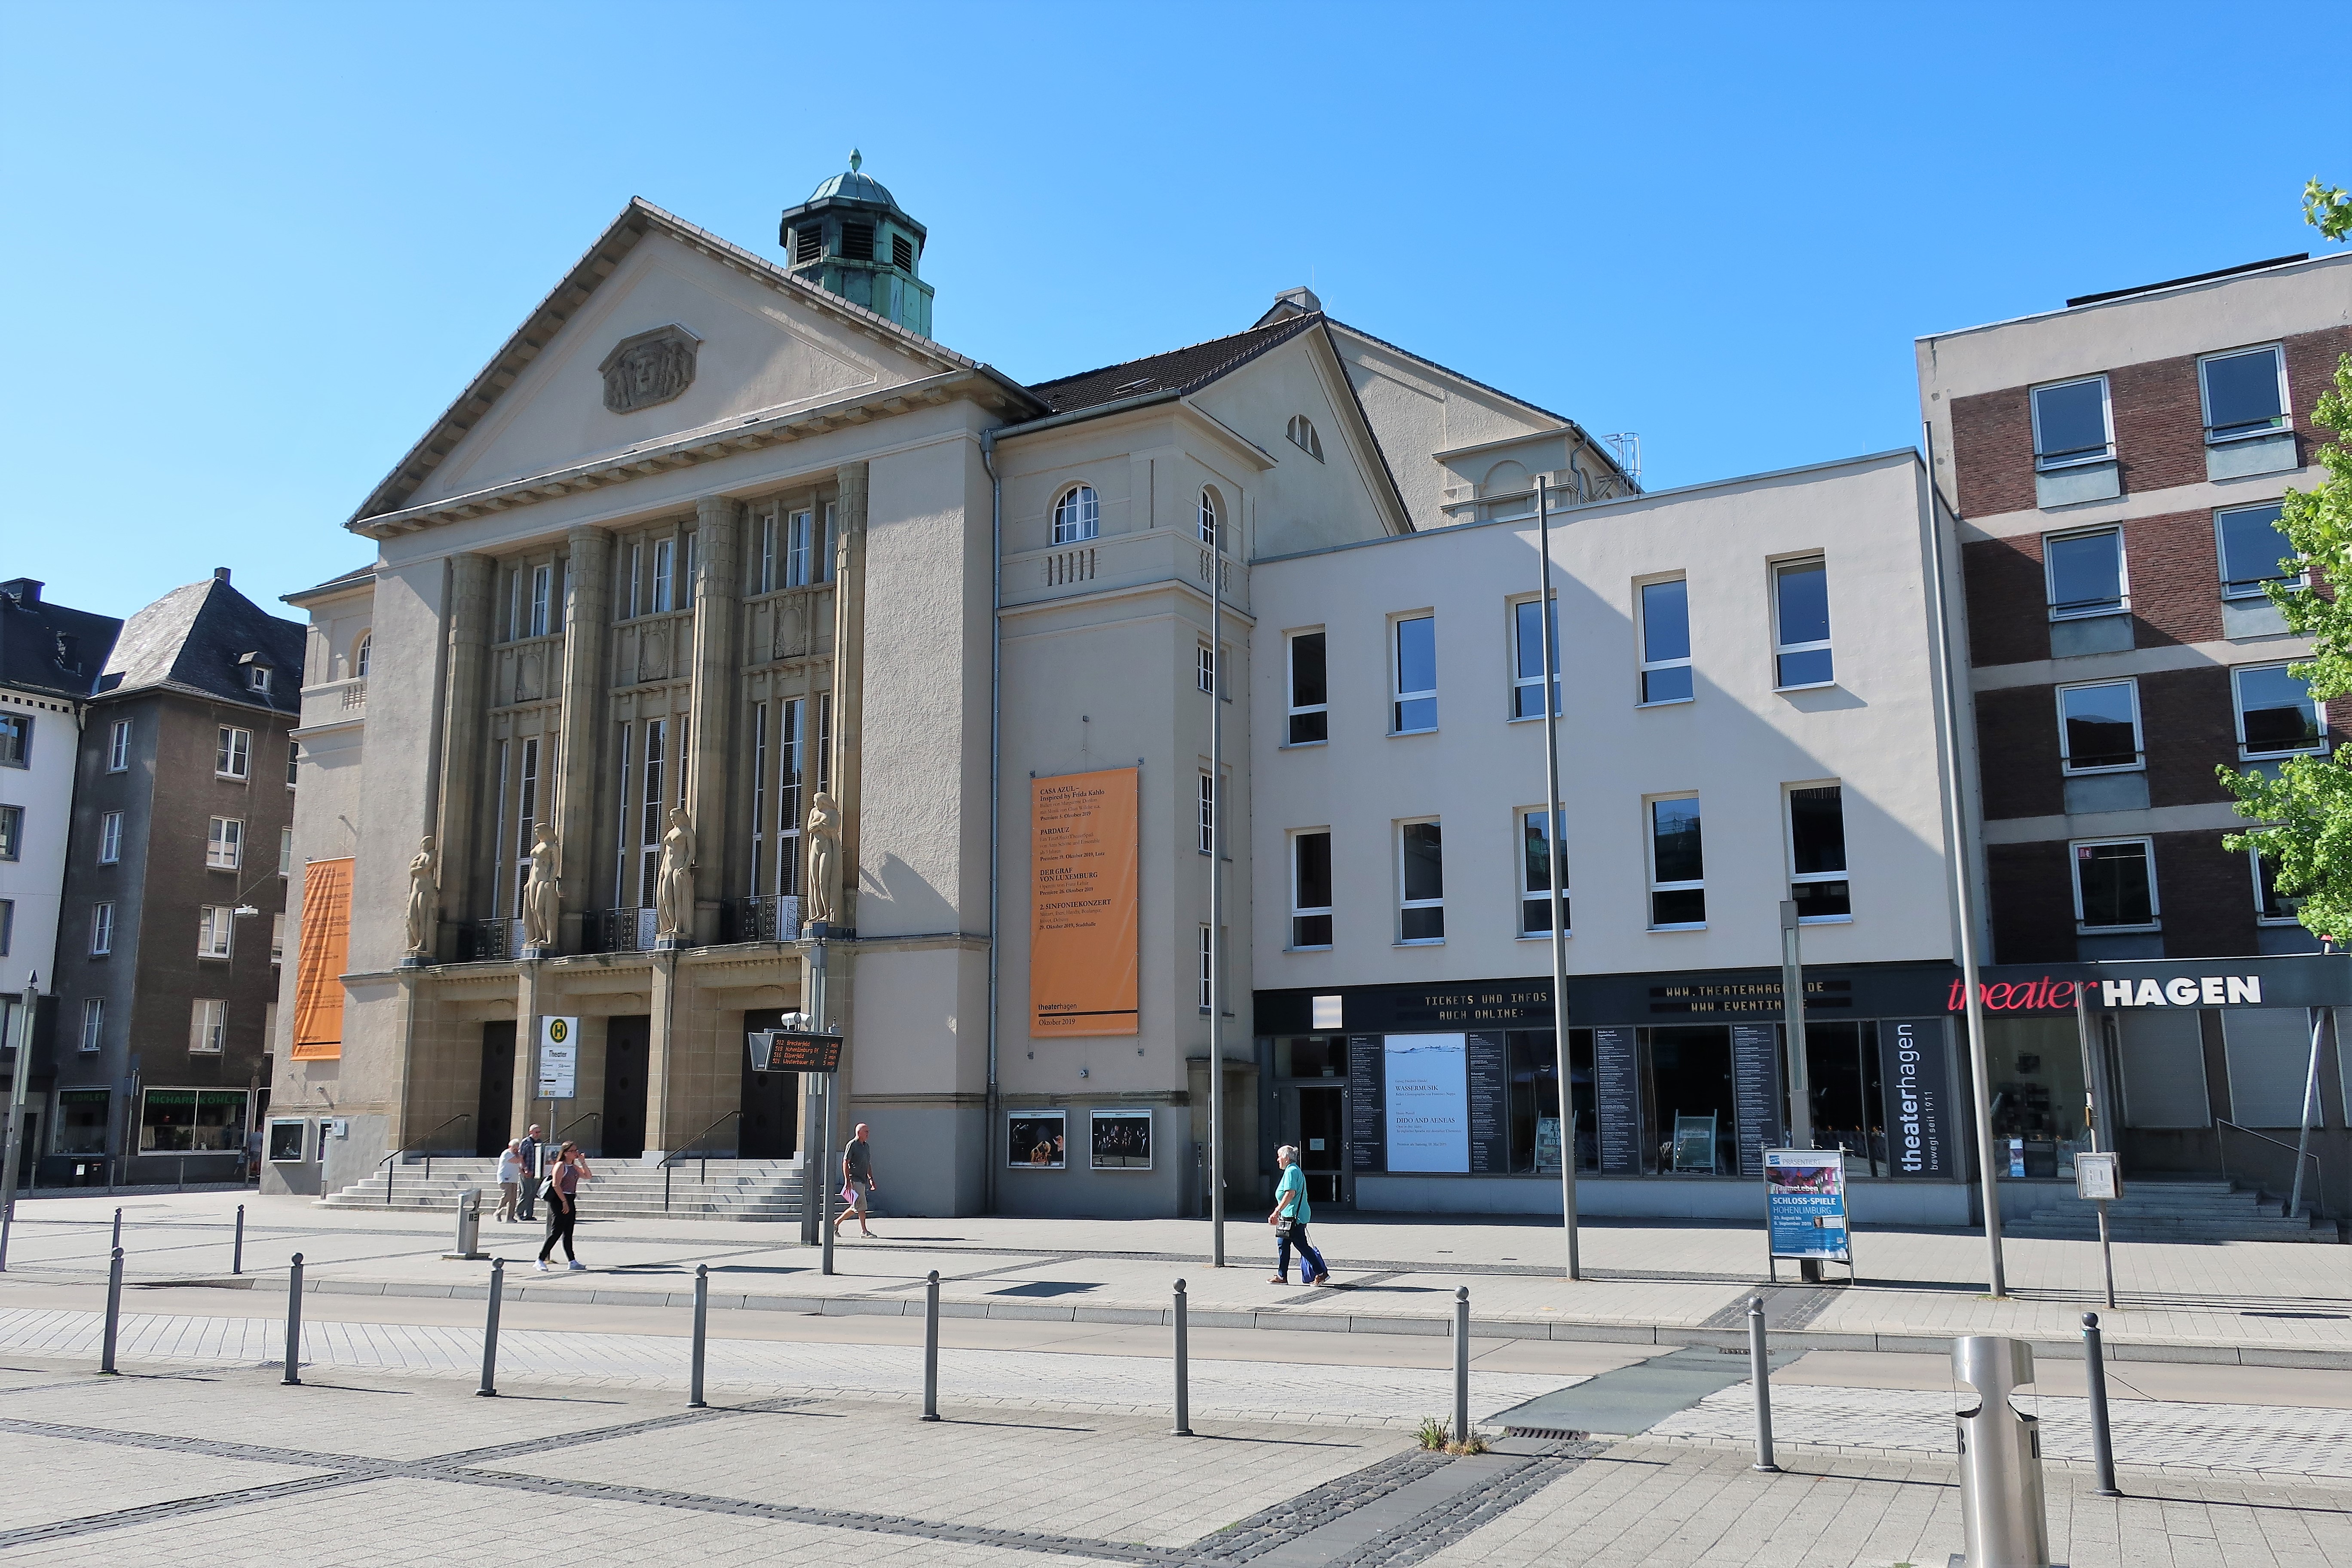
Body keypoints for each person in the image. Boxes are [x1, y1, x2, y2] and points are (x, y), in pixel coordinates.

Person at [1268, 1144, 1329, 1286]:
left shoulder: (1291, 1172)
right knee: (1283, 1244)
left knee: (1301, 1245)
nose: (1278, 1160)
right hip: (1290, 1216)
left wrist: (1277, 1210)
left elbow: (1290, 1193)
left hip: (1294, 1216)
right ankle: (1282, 1276)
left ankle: (1321, 1273)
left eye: (1279, 1157)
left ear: (1286, 1158)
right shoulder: (1294, 1170)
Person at [536, 1141, 593, 1271]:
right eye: (573, 1151)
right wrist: (564, 1202)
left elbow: (588, 1176)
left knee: (568, 1232)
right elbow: (556, 1185)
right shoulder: (561, 1166)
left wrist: (583, 1162)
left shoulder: (574, 1167)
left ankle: (572, 1261)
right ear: (566, 1153)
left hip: (570, 1198)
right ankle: (540, 1259)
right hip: (559, 1199)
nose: (576, 1153)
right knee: (556, 1231)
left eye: (576, 1150)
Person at [834, 1122, 877, 1239]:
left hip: (863, 1180)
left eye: (868, 1132)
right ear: (859, 1133)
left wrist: (871, 1178)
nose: (868, 1134)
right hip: (855, 1180)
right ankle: (864, 1231)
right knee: (862, 1206)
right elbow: (845, 1162)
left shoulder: (866, 1146)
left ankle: (836, 1223)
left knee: (856, 1207)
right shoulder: (852, 1145)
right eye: (866, 1132)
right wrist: (847, 1181)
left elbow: (868, 1163)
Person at [514, 1124, 543, 1222]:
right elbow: (521, 1157)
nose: (538, 1134)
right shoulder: (526, 1142)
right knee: (526, 1192)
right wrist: (525, 1169)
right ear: (531, 1132)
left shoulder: (539, 1142)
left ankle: (529, 1214)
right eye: (536, 1132)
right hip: (526, 1171)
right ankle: (519, 1212)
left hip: (536, 1172)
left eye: (539, 1132)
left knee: (532, 1193)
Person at [495, 1139, 524, 1222]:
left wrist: (523, 1172)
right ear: (510, 1147)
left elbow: (519, 1166)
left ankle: (510, 1217)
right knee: (508, 1195)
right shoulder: (507, 1154)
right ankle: (498, 1211)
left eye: (517, 1149)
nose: (516, 1151)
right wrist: (520, 1155)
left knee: (513, 1198)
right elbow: (517, 1160)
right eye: (514, 1149)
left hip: (514, 1178)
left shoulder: (516, 1155)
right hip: (505, 1178)